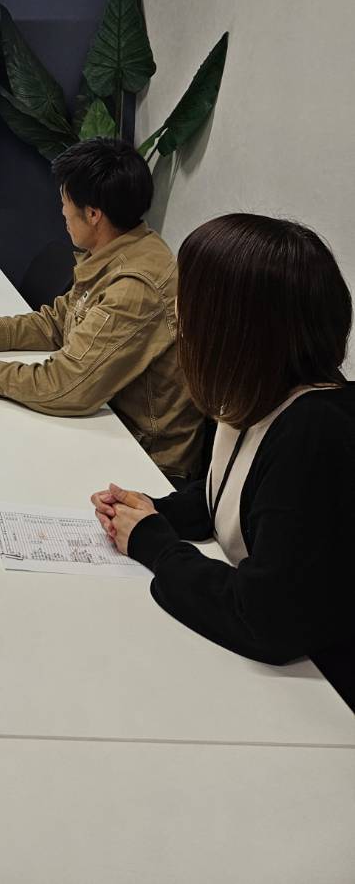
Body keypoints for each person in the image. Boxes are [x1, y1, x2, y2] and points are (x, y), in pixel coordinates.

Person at [92, 214, 355, 706]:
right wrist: (157, 511)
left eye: (189, 300)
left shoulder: (317, 431)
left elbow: (267, 620)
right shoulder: (260, 393)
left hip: (326, 698)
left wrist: (155, 545)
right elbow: (241, 493)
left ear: (233, 326)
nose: (178, 314)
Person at [0, 138, 203, 480]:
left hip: (145, 462)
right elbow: (59, 322)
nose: (61, 212)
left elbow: (67, 386)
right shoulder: (120, 250)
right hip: (107, 425)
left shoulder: (134, 287)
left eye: (65, 202)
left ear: (93, 214)